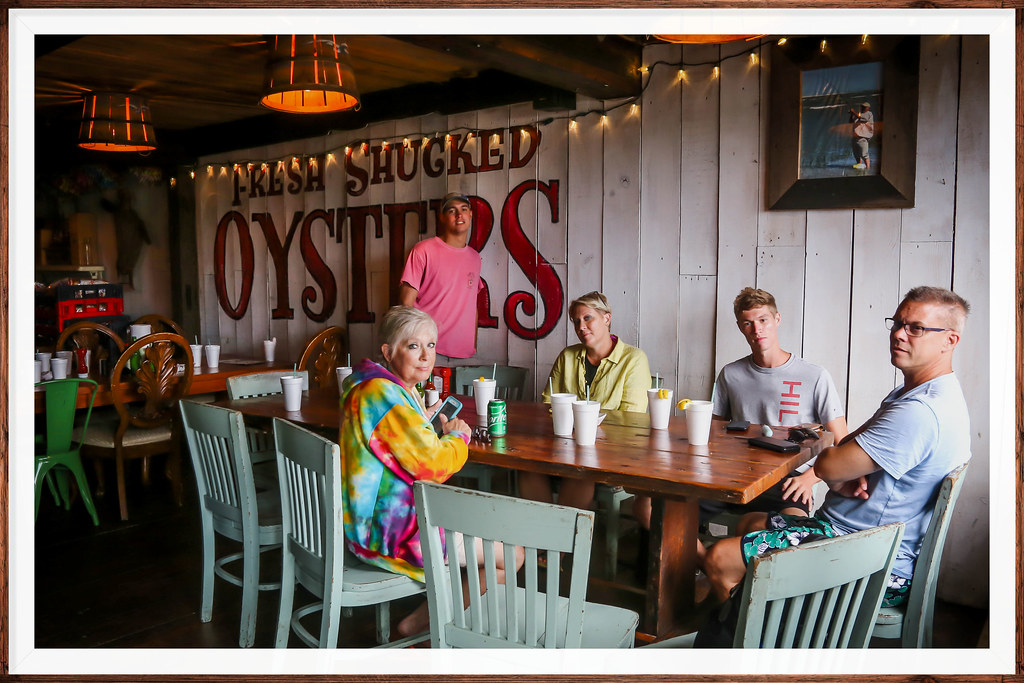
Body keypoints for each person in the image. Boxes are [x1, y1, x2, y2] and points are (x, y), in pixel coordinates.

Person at [702, 286, 971, 610]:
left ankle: (762, 633)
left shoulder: (918, 411)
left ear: (949, 340)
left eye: (916, 328)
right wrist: (840, 464)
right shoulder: (919, 395)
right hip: (855, 536)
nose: (899, 334)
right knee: (750, 523)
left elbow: (828, 463)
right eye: (898, 323)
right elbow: (842, 449)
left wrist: (836, 466)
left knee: (719, 558)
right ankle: (747, 618)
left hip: (865, 558)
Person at [338, 305, 521, 635]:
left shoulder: (374, 387)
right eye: (413, 346)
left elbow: (392, 449)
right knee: (513, 554)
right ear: (388, 352)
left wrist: (421, 422)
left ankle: (433, 622)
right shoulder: (385, 396)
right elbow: (433, 466)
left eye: (431, 345)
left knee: (482, 521)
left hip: (372, 519)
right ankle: (423, 628)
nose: (426, 356)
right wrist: (457, 436)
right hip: (393, 533)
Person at [704, 287, 848, 527]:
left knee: (789, 534)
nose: (757, 329)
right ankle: (703, 553)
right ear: (740, 327)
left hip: (789, 480)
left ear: (777, 319)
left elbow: (841, 442)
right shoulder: (730, 374)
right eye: (748, 323)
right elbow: (713, 434)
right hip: (737, 475)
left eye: (763, 320)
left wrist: (810, 478)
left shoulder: (814, 376)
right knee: (653, 509)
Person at [521, 291, 651, 512]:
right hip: (563, 447)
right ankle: (543, 531)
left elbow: (631, 420)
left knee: (581, 468)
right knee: (527, 466)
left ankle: (563, 534)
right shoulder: (567, 356)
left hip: (613, 452)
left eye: (587, 318)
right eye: (576, 321)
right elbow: (547, 406)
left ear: (607, 318)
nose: (581, 326)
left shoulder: (633, 359)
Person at [399, 192, 482, 361]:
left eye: (464, 209)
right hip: (430, 352)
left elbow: (472, 305)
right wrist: (419, 348)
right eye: (452, 211)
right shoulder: (423, 250)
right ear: (442, 217)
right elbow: (406, 304)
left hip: (465, 353)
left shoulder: (475, 258)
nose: (459, 215)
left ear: (470, 214)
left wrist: (472, 344)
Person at [849, 102, 874, 170]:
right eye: (862, 106)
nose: (863, 108)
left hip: (863, 137)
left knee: (864, 154)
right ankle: (859, 165)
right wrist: (851, 114)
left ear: (868, 108)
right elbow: (850, 122)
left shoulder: (869, 114)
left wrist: (853, 112)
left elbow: (862, 118)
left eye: (864, 107)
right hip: (855, 137)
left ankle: (868, 168)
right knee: (856, 154)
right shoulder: (858, 114)